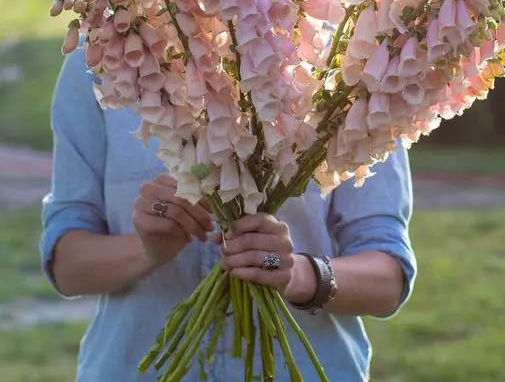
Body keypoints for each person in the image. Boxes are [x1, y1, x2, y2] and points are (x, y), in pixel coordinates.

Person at [40, 44, 417, 381]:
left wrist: (297, 274)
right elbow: (67, 268)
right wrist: (147, 250)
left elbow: (389, 280)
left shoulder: (352, 56)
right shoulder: (105, 51)